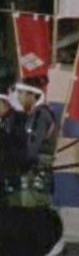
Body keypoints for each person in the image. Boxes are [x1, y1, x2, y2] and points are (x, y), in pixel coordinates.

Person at [0, 75, 63, 256]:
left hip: (29, 201)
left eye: (21, 93)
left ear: (32, 95)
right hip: (17, 200)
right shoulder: (21, 119)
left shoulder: (40, 116)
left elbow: (26, 155)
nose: (17, 97)